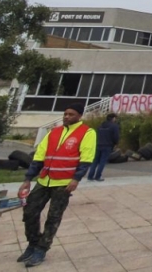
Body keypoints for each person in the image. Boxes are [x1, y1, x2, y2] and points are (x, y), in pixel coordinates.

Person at [18, 103, 96, 268]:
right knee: (30, 211)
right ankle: (33, 243)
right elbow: (40, 155)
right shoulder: (54, 132)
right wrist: (27, 178)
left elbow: (86, 158)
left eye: (71, 114)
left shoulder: (87, 133)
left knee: (53, 217)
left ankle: (41, 248)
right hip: (44, 179)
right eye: (65, 113)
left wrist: (76, 179)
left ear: (79, 116)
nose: (67, 117)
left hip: (64, 183)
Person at [87, 113, 119, 182]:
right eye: (115, 118)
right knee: (102, 161)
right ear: (113, 118)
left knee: (95, 161)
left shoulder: (100, 126)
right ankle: (98, 176)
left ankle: (90, 176)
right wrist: (116, 143)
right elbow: (115, 136)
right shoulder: (114, 126)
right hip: (107, 145)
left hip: (98, 144)